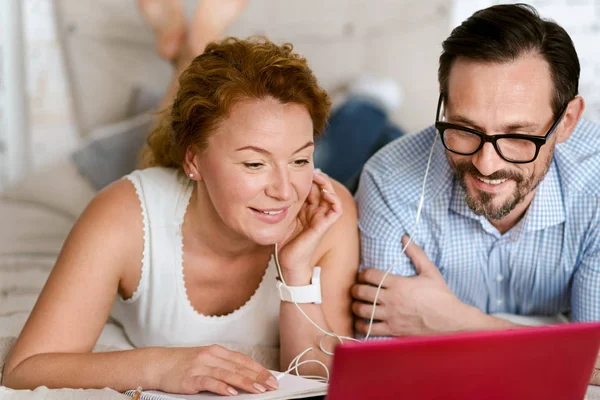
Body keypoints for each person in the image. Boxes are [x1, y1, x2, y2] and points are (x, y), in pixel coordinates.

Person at [2, 3, 359, 396]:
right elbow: (23, 370)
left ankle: (193, 44)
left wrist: (296, 273)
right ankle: (191, 46)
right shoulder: (125, 214)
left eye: (301, 159)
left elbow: (322, 378)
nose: (285, 190)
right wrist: (159, 365)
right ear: (194, 161)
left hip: (201, 164)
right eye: (255, 163)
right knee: (153, 143)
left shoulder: (326, 214)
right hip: (172, 183)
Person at [351, 3, 600, 385]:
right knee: (339, 156)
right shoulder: (388, 181)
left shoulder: (595, 183)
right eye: (465, 128)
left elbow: (594, 366)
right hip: (389, 166)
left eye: (518, 137)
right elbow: (386, 365)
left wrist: (459, 324)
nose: (486, 164)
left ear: (565, 122)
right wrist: (536, 341)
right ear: (445, 104)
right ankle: (365, 108)